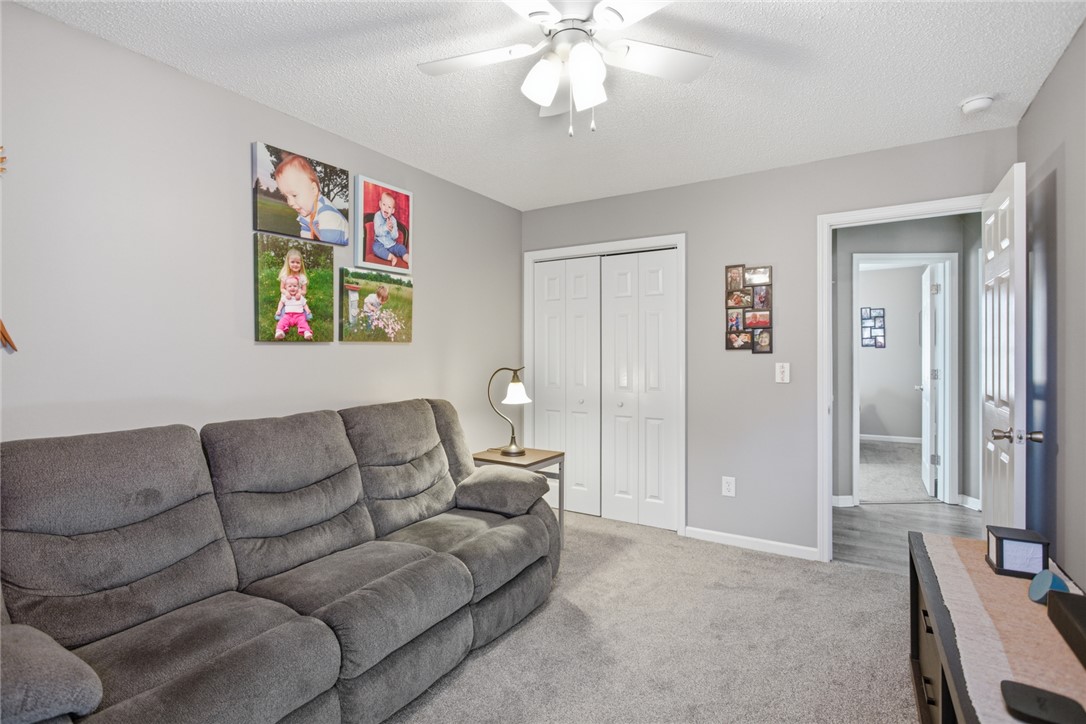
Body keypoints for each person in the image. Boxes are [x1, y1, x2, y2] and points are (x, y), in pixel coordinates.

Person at [273, 154, 349, 245]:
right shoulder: (306, 212)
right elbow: (306, 234)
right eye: (286, 196)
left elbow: (331, 245)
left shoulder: (326, 213)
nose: (290, 203)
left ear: (313, 189)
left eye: (294, 195)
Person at [371, 191, 410, 267]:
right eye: (384, 205)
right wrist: (385, 227)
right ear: (380, 204)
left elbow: (395, 236)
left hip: (392, 244)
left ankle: (407, 258)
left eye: (389, 207)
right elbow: (377, 232)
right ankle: (391, 257)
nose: (386, 208)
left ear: (392, 211)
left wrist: (392, 230)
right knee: (375, 248)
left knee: (401, 248)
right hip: (380, 243)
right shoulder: (377, 216)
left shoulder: (393, 220)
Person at [274, 275, 313, 340]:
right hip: (288, 315)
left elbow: (304, 304)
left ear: (298, 287)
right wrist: (278, 310)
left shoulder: (300, 297)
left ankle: (306, 332)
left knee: (303, 323)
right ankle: (279, 331)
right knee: (282, 321)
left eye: (295, 286)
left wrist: (307, 310)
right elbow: (281, 303)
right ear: (286, 288)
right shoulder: (286, 297)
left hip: (299, 315)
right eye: (290, 286)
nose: (292, 288)